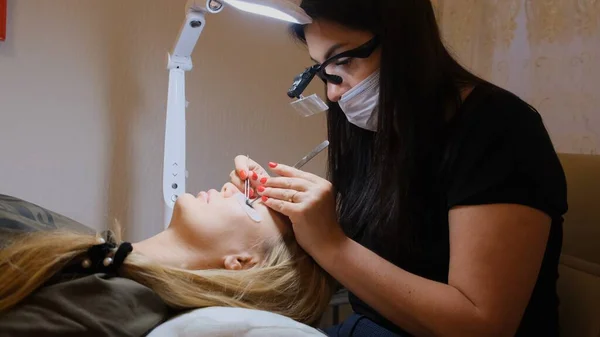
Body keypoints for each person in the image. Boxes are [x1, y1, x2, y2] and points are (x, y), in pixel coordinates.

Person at [230, 0, 568, 336]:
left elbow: (481, 326)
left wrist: (330, 243)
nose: (332, 93)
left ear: (404, 43)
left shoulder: (501, 128)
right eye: (321, 69)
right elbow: (368, 265)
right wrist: (291, 223)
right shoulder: (376, 131)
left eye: (343, 60)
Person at [0, 183, 335, 336]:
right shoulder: (91, 255)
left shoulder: (117, 303)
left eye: (249, 204)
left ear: (242, 262)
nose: (231, 188)